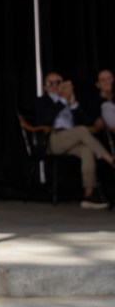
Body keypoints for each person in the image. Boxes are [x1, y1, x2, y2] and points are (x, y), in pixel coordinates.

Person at [35, 72, 112, 209]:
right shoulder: (42, 101)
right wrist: (62, 100)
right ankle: (110, 159)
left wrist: (73, 104)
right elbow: (45, 120)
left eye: (58, 82)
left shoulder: (69, 100)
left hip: (73, 138)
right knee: (82, 131)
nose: (55, 86)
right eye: (50, 83)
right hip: (54, 139)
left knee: (87, 150)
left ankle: (89, 195)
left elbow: (86, 123)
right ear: (45, 87)